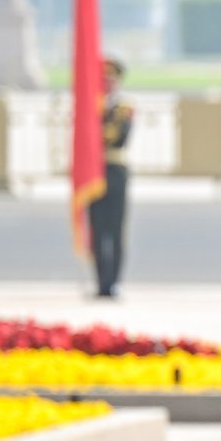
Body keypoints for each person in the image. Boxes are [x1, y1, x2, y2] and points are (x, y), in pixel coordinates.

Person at [86, 56, 134, 299]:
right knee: (96, 229)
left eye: (110, 79)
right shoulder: (90, 108)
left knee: (115, 230)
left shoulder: (123, 108)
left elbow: (117, 137)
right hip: (93, 172)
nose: (106, 83)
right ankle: (99, 281)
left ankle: (113, 281)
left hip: (114, 170)